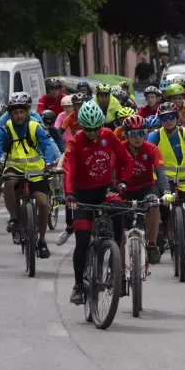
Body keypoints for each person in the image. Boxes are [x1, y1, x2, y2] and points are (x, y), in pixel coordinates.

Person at [62, 102, 135, 304]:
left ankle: (115, 260)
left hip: (105, 190)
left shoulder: (109, 136)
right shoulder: (75, 142)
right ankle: (78, 285)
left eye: (96, 128)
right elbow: (68, 170)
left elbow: (127, 160)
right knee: (83, 241)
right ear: (81, 127)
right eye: (88, 129)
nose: (93, 133)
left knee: (120, 209)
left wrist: (121, 184)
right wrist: (69, 194)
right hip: (81, 194)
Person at [0, 92, 61, 258]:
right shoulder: (5, 128)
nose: (19, 115)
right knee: (8, 182)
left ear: (27, 112)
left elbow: (46, 145)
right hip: (14, 168)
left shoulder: (35, 127)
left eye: (22, 112)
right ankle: (14, 218)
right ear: (10, 114)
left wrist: (50, 163)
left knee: (43, 203)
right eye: (16, 112)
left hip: (37, 170)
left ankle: (42, 240)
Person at [147, 101, 185, 264]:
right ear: (160, 120)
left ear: (177, 117)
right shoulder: (155, 135)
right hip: (166, 182)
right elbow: (149, 156)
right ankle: (158, 238)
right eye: (165, 118)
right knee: (161, 209)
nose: (169, 120)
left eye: (172, 116)